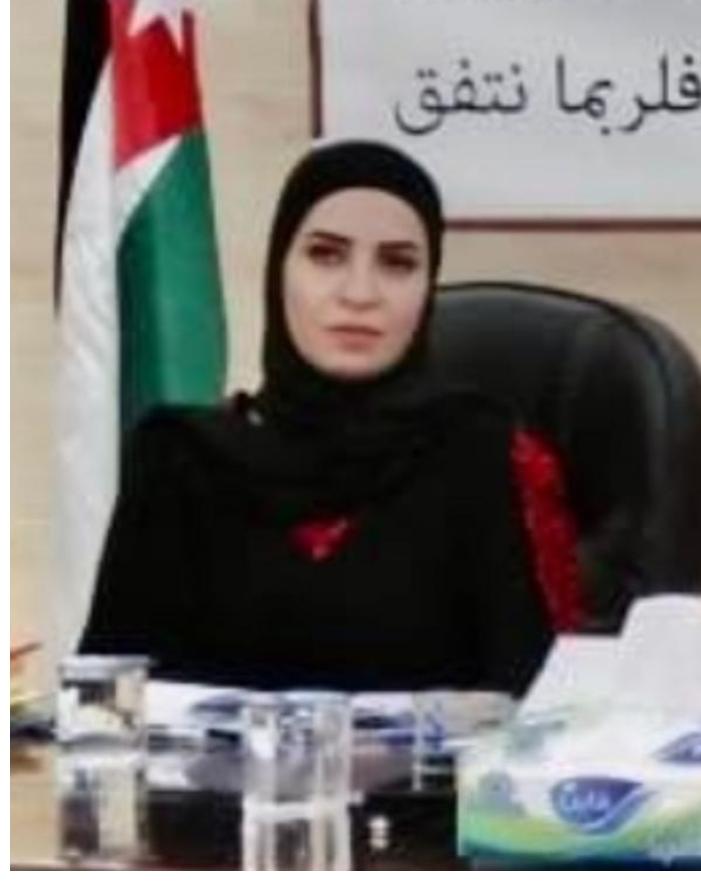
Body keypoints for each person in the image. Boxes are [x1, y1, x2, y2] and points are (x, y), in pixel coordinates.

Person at [80, 141, 582, 693]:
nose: (359, 294)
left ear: (427, 286)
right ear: (279, 269)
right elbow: (107, 711)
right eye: (325, 255)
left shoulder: (484, 456)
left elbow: (544, 711)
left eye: (397, 263)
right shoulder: (179, 456)